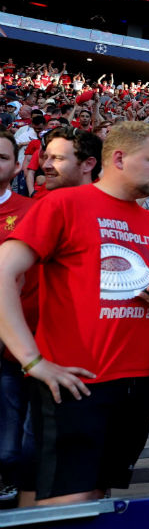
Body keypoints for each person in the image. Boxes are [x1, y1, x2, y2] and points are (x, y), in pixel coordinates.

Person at [0, 122, 149, 505]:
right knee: (66, 506)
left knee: (95, 497)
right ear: (118, 158)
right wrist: (32, 361)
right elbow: (3, 272)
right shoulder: (64, 203)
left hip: (135, 381)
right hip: (76, 380)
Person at [0, 131, 34, 503]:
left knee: (11, 440)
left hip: (13, 337)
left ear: (15, 166)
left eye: (2, 157)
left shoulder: (29, 210)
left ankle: (10, 479)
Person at [40, 126, 101, 191]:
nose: (45, 166)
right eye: (45, 157)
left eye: (58, 158)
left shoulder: (104, 200)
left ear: (88, 164)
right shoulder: (44, 198)